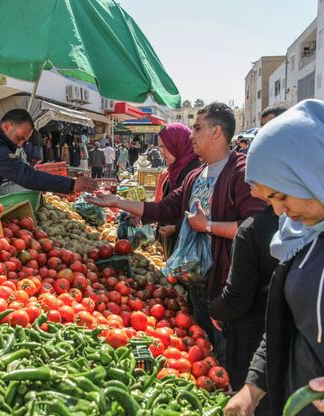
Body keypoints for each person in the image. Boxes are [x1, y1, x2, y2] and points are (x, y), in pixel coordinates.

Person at [87, 103, 266, 359]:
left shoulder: (241, 171)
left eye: (197, 127)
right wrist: (116, 202)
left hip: (228, 284)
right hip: (197, 281)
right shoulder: (196, 175)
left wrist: (209, 226)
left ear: (217, 132)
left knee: (230, 352)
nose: (191, 134)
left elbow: (257, 227)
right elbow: (162, 209)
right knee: (206, 346)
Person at [224, 99, 324, 416]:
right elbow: (286, 323)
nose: (278, 211)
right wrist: (251, 389)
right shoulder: (301, 238)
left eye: (280, 196)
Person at [209, 104, 286, 415]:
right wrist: (252, 388)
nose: (281, 212)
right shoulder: (293, 233)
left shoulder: (255, 231)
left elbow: (239, 299)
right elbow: (282, 318)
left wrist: (212, 308)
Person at [0, 109, 97, 226]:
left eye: (25, 141)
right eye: (19, 138)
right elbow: (27, 176)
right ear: (7, 126)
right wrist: (71, 184)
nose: (20, 144)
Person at [154, 123, 200, 259]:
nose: (161, 151)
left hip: (187, 252)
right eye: (160, 146)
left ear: (178, 143)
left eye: (164, 146)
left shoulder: (193, 172)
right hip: (173, 246)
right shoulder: (174, 170)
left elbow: (201, 212)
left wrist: (177, 227)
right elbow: (167, 204)